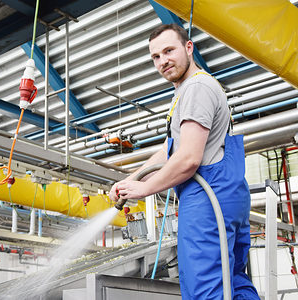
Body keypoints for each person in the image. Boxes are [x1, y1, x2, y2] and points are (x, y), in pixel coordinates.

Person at [109, 24, 260, 299]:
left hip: (207, 200)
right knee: (233, 282)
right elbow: (171, 151)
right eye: (155, 56)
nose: (163, 61)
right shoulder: (186, 92)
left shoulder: (196, 88)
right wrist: (132, 179)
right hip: (227, 196)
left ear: (188, 48)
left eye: (169, 50)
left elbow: (189, 158)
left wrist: (144, 189)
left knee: (205, 288)